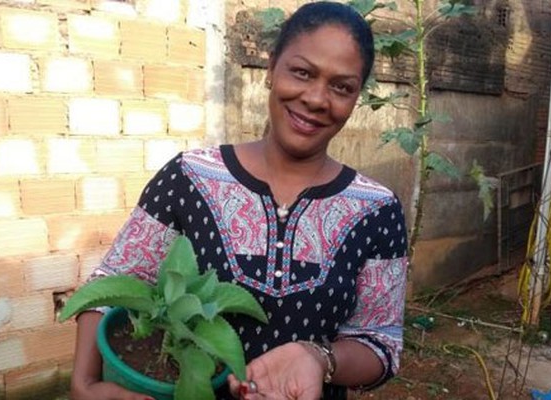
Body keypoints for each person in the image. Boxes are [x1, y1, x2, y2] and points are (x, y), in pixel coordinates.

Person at [69, 2, 408, 399]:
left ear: (355, 98)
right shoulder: (190, 177)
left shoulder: (376, 210)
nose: (317, 98)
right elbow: (113, 284)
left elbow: (381, 342)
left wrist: (319, 359)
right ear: (270, 69)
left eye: (341, 87)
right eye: (302, 72)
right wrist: (84, 384)